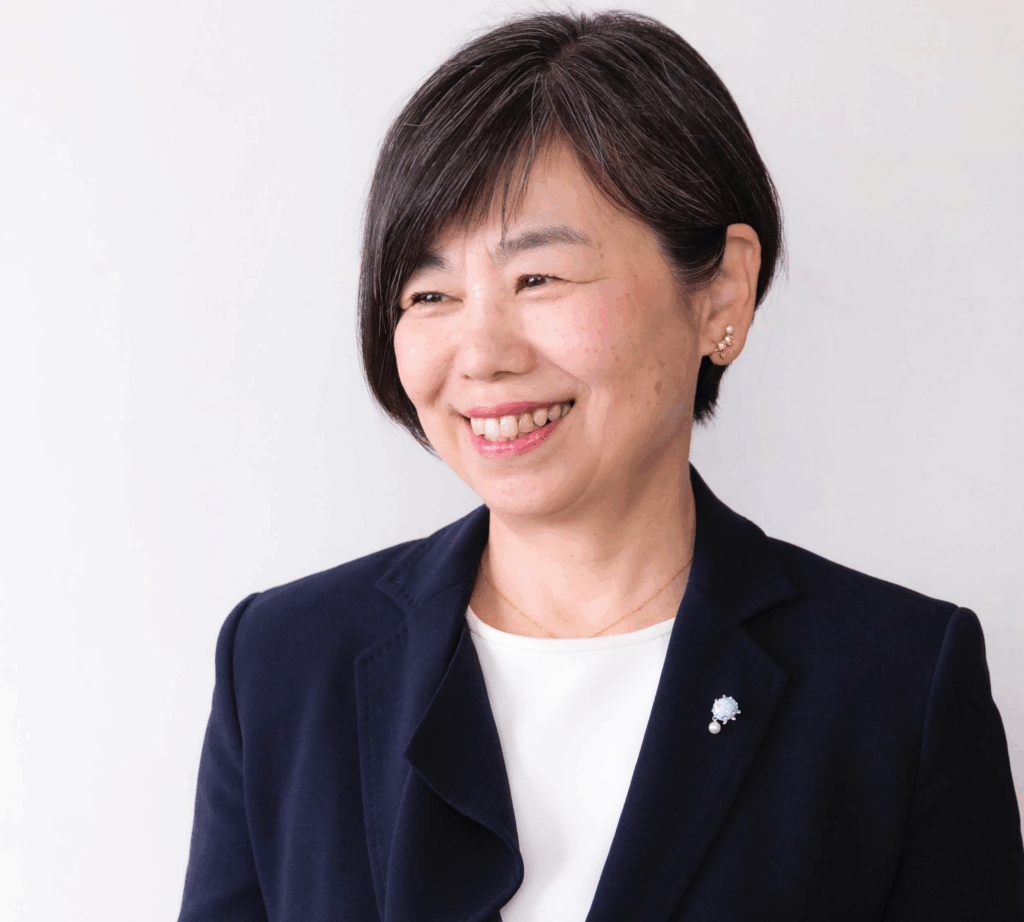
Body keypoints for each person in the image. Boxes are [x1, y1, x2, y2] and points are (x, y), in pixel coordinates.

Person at [177, 10, 1024, 921]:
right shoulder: (283, 665)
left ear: (722, 292)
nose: (482, 355)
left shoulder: (897, 687)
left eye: (538, 278)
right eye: (430, 293)